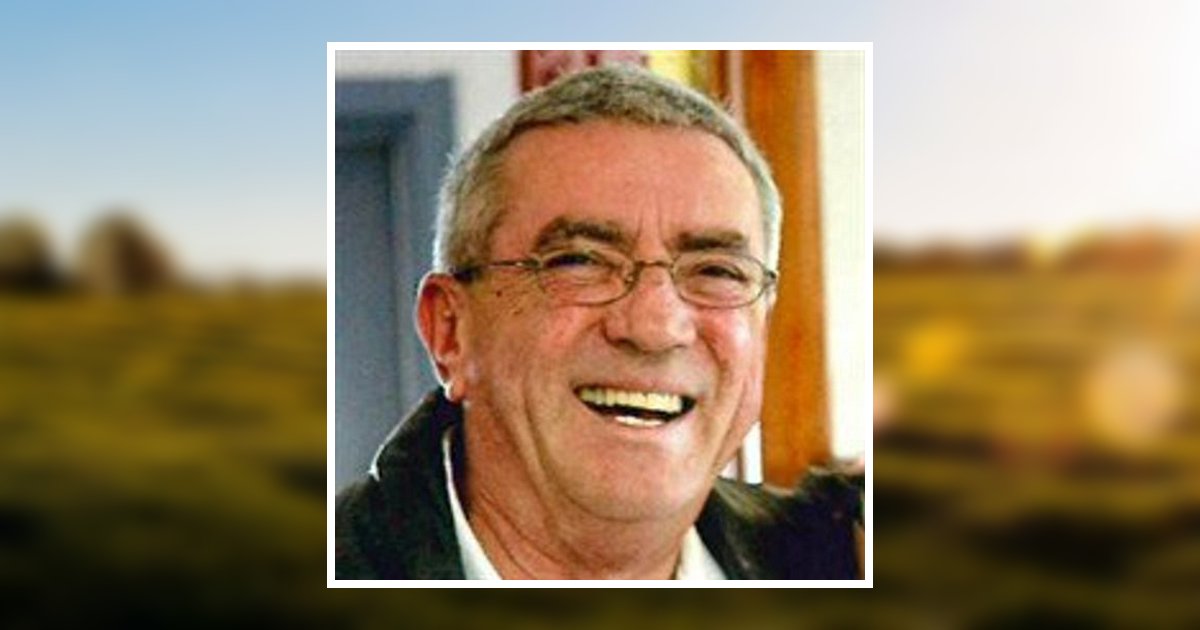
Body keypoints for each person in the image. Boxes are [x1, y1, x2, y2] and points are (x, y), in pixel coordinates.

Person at [335, 64, 863, 580]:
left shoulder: (833, 558)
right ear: (450, 331)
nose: (655, 327)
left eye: (716, 271)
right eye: (580, 262)